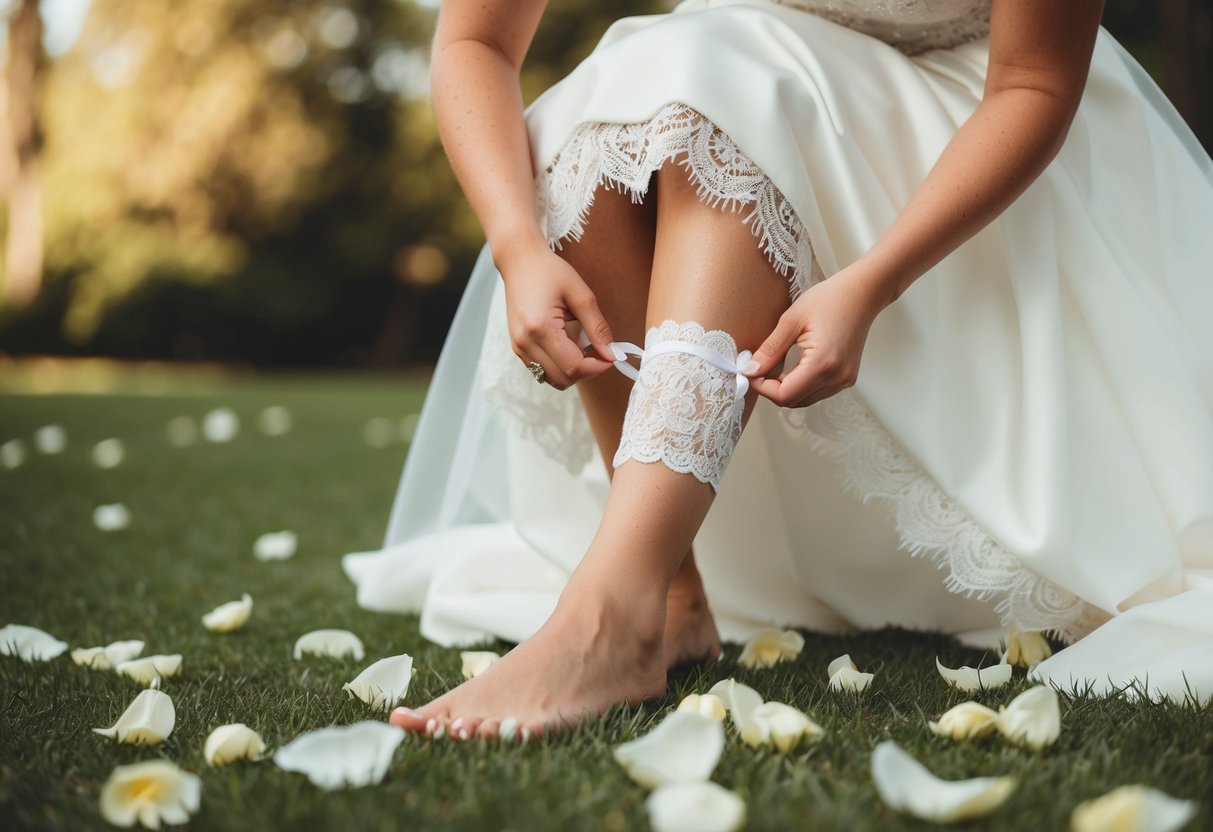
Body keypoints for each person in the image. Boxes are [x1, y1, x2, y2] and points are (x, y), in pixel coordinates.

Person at [344, 0, 1213, 739]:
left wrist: (869, 285)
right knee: (639, 86)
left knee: (720, 78)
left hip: (968, 146)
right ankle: (669, 598)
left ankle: (607, 615)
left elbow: (1034, 84)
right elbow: (475, 43)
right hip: (737, 96)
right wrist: (516, 243)